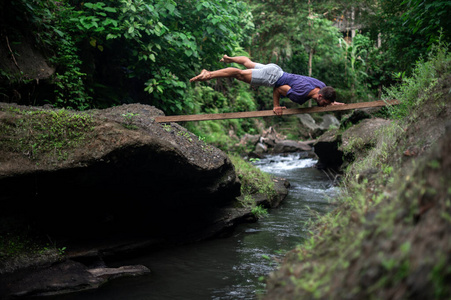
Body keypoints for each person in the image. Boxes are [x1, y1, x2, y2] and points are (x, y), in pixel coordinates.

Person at [190, 55, 344, 115]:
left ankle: (229, 58)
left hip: (277, 70)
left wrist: (333, 102)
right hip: (272, 78)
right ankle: (208, 74)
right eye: (325, 103)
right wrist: (276, 106)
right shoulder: (300, 96)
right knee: (239, 74)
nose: (324, 106)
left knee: (248, 63)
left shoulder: (322, 86)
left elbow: (326, 94)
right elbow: (278, 88)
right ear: (320, 96)